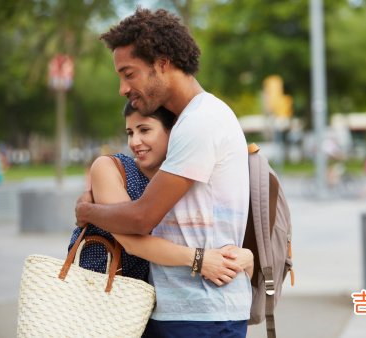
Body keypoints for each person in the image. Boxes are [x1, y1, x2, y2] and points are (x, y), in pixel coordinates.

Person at [75, 8, 252, 337]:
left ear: (162, 62)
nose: (122, 88)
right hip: (189, 310)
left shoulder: (201, 122)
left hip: (201, 313)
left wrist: (87, 211)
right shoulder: (193, 120)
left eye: (129, 74)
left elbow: (143, 218)